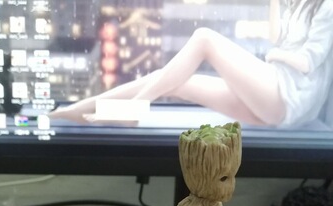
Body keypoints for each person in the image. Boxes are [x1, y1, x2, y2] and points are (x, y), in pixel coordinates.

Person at [49, 0, 333, 128]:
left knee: (204, 38)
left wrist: (274, 57)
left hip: (289, 98)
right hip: (274, 94)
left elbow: (307, 61)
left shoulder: (327, 6)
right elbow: (276, 38)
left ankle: (132, 108)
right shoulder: (299, 3)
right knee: (173, 80)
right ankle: (79, 110)